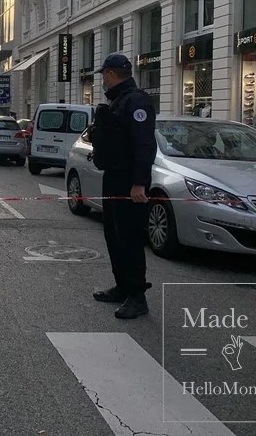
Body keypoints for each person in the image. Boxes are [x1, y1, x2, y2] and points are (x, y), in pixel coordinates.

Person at [89, 53, 156, 319]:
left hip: (129, 181)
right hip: (114, 177)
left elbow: (144, 145)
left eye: (104, 74)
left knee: (129, 238)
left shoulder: (135, 101)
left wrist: (139, 183)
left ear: (111, 74)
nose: (103, 79)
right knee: (114, 236)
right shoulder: (118, 101)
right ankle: (123, 286)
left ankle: (137, 296)